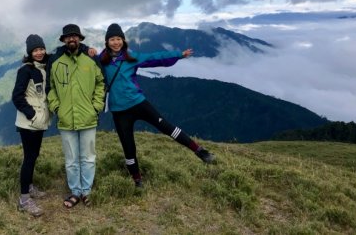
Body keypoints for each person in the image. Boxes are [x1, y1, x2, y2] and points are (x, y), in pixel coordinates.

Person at [99, 23, 215, 188]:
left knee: (167, 127)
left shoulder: (132, 57)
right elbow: (84, 62)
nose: (116, 42)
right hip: (119, 111)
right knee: (128, 147)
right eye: (112, 39)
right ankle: (137, 181)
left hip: (139, 103)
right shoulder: (101, 60)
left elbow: (155, 57)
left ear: (123, 41)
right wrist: (87, 51)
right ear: (107, 41)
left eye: (119, 39)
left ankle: (200, 151)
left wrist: (178, 55)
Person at [47, 24, 105, 208]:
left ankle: (86, 192)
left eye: (75, 36)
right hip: (66, 119)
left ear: (79, 39)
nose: (72, 39)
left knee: (88, 157)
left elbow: (100, 83)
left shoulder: (90, 60)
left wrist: (96, 107)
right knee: (71, 159)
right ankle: (75, 192)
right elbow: (50, 88)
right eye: (68, 37)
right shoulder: (55, 61)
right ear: (64, 40)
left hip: (88, 118)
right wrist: (57, 108)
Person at [12, 34, 51, 216]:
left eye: (41, 49)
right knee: (29, 158)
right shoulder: (25, 70)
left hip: (40, 122)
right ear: (29, 52)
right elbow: (17, 96)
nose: (39, 52)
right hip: (29, 123)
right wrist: (32, 115)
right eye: (35, 50)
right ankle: (24, 199)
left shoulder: (44, 67)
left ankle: (29, 187)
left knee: (34, 155)